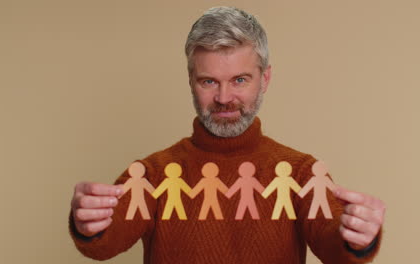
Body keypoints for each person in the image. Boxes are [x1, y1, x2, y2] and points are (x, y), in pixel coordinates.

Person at [69, 6, 385, 264]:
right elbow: (104, 244)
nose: (223, 98)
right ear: (191, 80)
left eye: (239, 80)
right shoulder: (152, 174)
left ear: (265, 79)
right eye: (209, 82)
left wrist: (357, 235)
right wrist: (88, 224)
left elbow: (336, 247)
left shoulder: (301, 172)